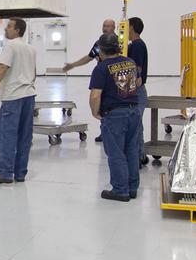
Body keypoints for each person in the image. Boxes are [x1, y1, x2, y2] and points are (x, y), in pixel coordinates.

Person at [89, 34, 141, 202]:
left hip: (115, 115)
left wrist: (95, 112)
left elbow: (96, 96)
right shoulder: (130, 63)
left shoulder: (102, 68)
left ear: (101, 49)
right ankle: (132, 187)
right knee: (132, 150)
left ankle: (120, 189)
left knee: (116, 153)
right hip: (134, 112)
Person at [0, 18, 38, 185]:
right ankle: (20, 172)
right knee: (24, 136)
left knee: (6, 135)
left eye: (9, 27)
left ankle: (5, 172)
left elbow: (2, 68)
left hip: (13, 97)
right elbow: (34, 72)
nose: (6, 29)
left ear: (17, 31)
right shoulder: (31, 48)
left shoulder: (11, 46)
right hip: (29, 96)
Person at [63, 18, 118, 142]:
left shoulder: (120, 42)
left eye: (108, 26)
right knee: (104, 106)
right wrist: (73, 65)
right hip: (103, 78)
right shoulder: (99, 43)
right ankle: (105, 132)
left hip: (116, 79)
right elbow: (89, 57)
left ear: (114, 28)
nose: (105, 28)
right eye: (104, 25)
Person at [127, 16, 149, 169]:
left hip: (138, 91)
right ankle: (140, 155)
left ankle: (139, 156)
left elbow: (137, 69)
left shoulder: (137, 45)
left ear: (132, 28)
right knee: (136, 124)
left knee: (135, 125)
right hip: (136, 91)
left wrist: (133, 83)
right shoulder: (133, 45)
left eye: (126, 26)